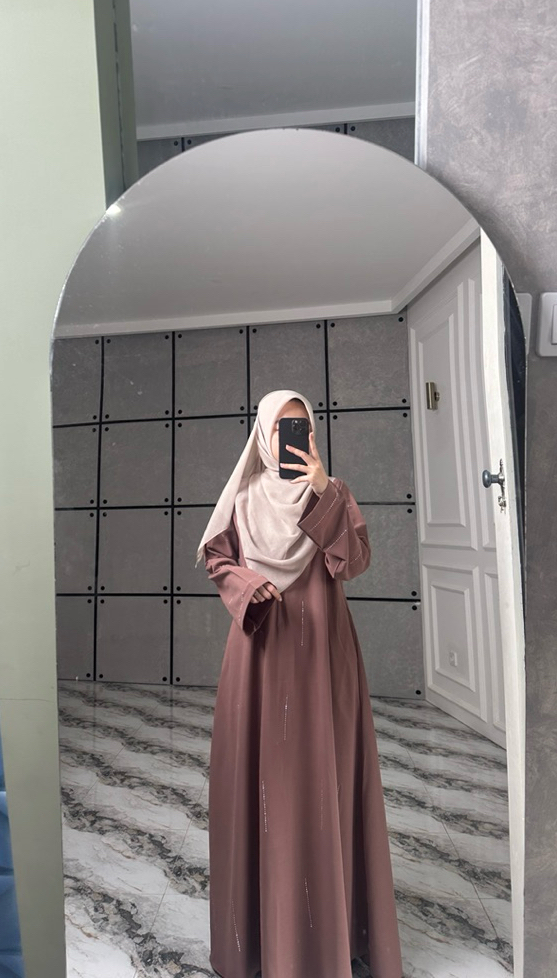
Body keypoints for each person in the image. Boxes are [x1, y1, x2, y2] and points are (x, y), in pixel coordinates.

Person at [196, 389, 404, 978]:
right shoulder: (242, 498)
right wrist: (248, 586)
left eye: (303, 426)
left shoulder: (331, 492)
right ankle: (262, 941)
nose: (294, 438)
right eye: (282, 428)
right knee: (265, 778)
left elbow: (354, 561)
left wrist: (323, 490)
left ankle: (328, 932)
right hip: (261, 651)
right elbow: (218, 561)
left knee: (323, 776)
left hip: (323, 657)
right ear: (263, 436)